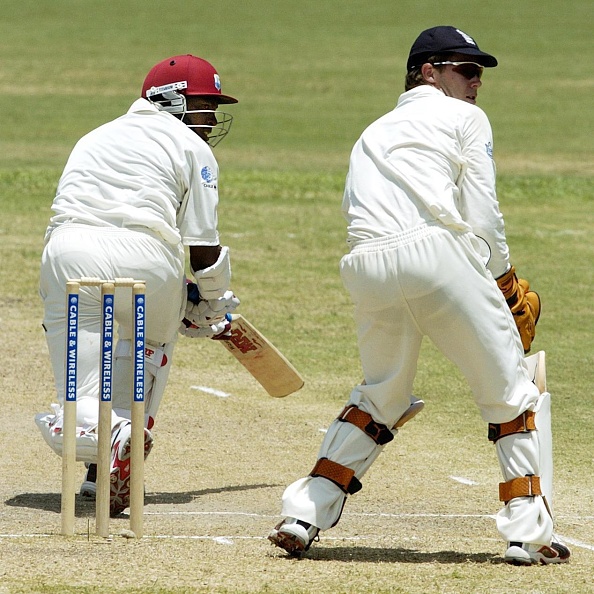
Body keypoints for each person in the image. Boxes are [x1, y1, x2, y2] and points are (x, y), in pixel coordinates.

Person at [268, 26, 570, 566]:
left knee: (382, 396)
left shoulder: (373, 130)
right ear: (428, 71)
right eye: (466, 69)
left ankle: (304, 513)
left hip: (365, 263)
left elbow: (354, 203)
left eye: (480, 73)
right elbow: (483, 211)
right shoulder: (465, 118)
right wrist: (504, 284)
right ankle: (529, 533)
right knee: (511, 392)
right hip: (435, 256)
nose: (477, 83)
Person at [35, 54, 240, 516]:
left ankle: (99, 461)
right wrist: (210, 301)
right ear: (169, 100)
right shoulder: (194, 150)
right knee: (140, 362)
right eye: (204, 104)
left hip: (69, 254)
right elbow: (203, 242)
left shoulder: (94, 136)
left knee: (81, 396)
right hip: (150, 260)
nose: (210, 119)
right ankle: (114, 450)